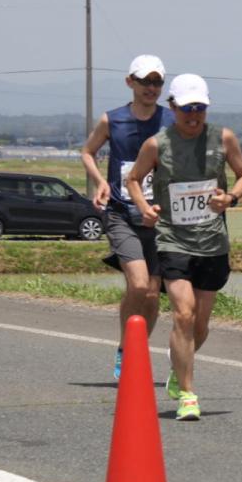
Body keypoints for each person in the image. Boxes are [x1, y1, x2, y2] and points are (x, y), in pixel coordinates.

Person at [125, 74, 242, 421]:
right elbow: (133, 178)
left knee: (200, 325)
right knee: (183, 313)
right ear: (172, 107)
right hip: (172, 238)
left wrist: (232, 197)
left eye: (199, 109)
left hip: (212, 241)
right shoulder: (157, 144)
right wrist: (145, 207)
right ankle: (189, 394)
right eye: (186, 110)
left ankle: (178, 367)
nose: (193, 116)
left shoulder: (223, 138)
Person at [81, 55, 173, 380]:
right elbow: (87, 151)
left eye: (157, 82)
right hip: (120, 213)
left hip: (159, 216)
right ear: (129, 82)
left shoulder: (170, 120)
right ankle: (126, 349)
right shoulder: (112, 120)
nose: (151, 88)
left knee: (151, 291)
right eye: (144, 81)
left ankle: (138, 350)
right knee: (137, 283)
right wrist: (100, 181)